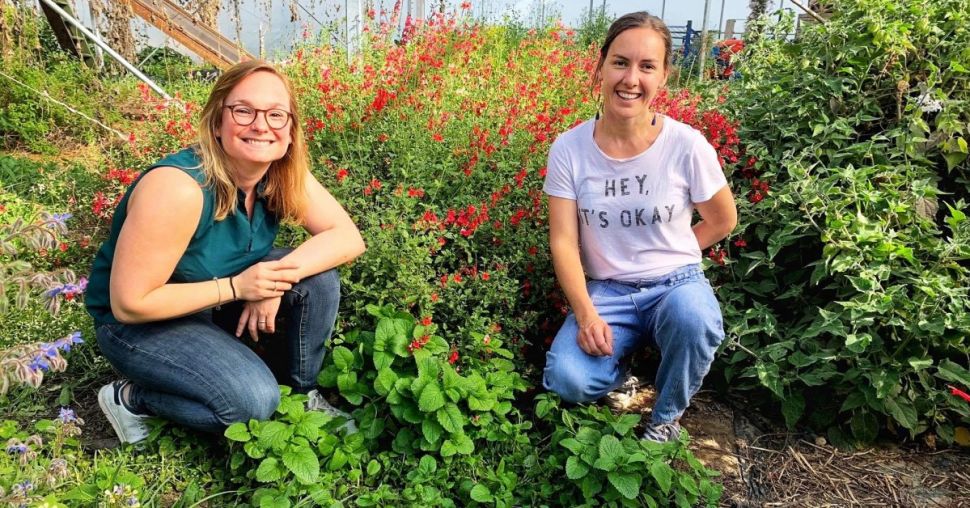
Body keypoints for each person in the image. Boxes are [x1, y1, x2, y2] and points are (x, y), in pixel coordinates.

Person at [85, 60, 366, 444]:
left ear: (290, 131)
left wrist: (272, 281)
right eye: (243, 110)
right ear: (218, 122)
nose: (261, 125)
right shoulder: (180, 188)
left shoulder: (278, 173)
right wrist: (238, 287)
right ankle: (133, 399)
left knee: (315, 276)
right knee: (250, 404)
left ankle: (302, 397)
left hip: (208, 303)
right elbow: (130, 304)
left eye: (276, 114)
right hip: (140, 326)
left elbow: (347, 237)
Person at [542, 12, 737, 443]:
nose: (631, 78)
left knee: (695, 319)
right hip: (608, 290)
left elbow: (723, 219)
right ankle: (619, 375)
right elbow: (564, 240)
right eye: (620, 62)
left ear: (664, 76)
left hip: (675, 283)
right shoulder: (570, 149)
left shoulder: (686, 145)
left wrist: (679, 251)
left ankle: (665, 417)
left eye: (647, 66)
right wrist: (585, 312)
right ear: (600, 66)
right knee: (567, 381)